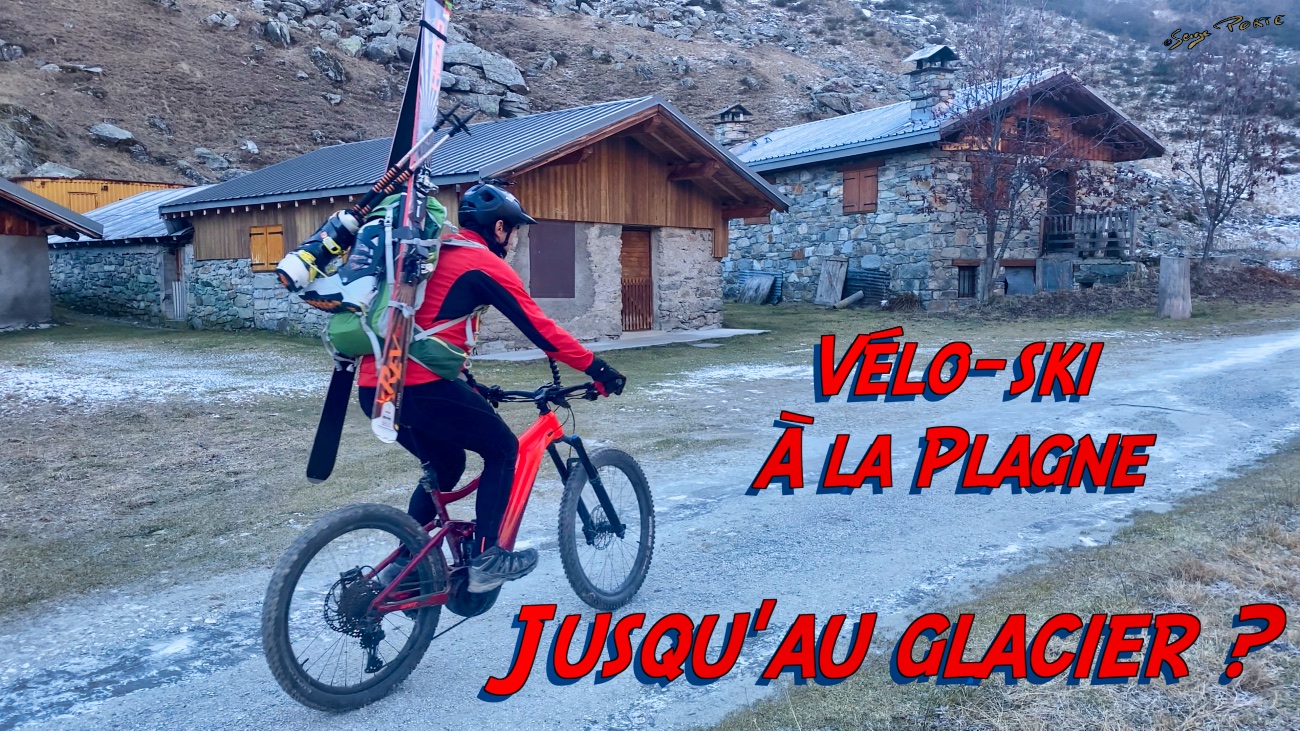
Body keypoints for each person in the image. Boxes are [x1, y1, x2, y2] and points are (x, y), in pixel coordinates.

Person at [355, 183, 627, 594]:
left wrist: (470, 385)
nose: (513, 240)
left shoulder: (433, 253)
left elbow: (431, 330)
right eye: (513, 230)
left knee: (446, 464)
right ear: (499, 227)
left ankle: (405, 565)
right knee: (502, 448)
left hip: (374, 387)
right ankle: (487, 558)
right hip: (418, 386)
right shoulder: (480, 262)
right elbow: (540, 329)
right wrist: (597, 368)